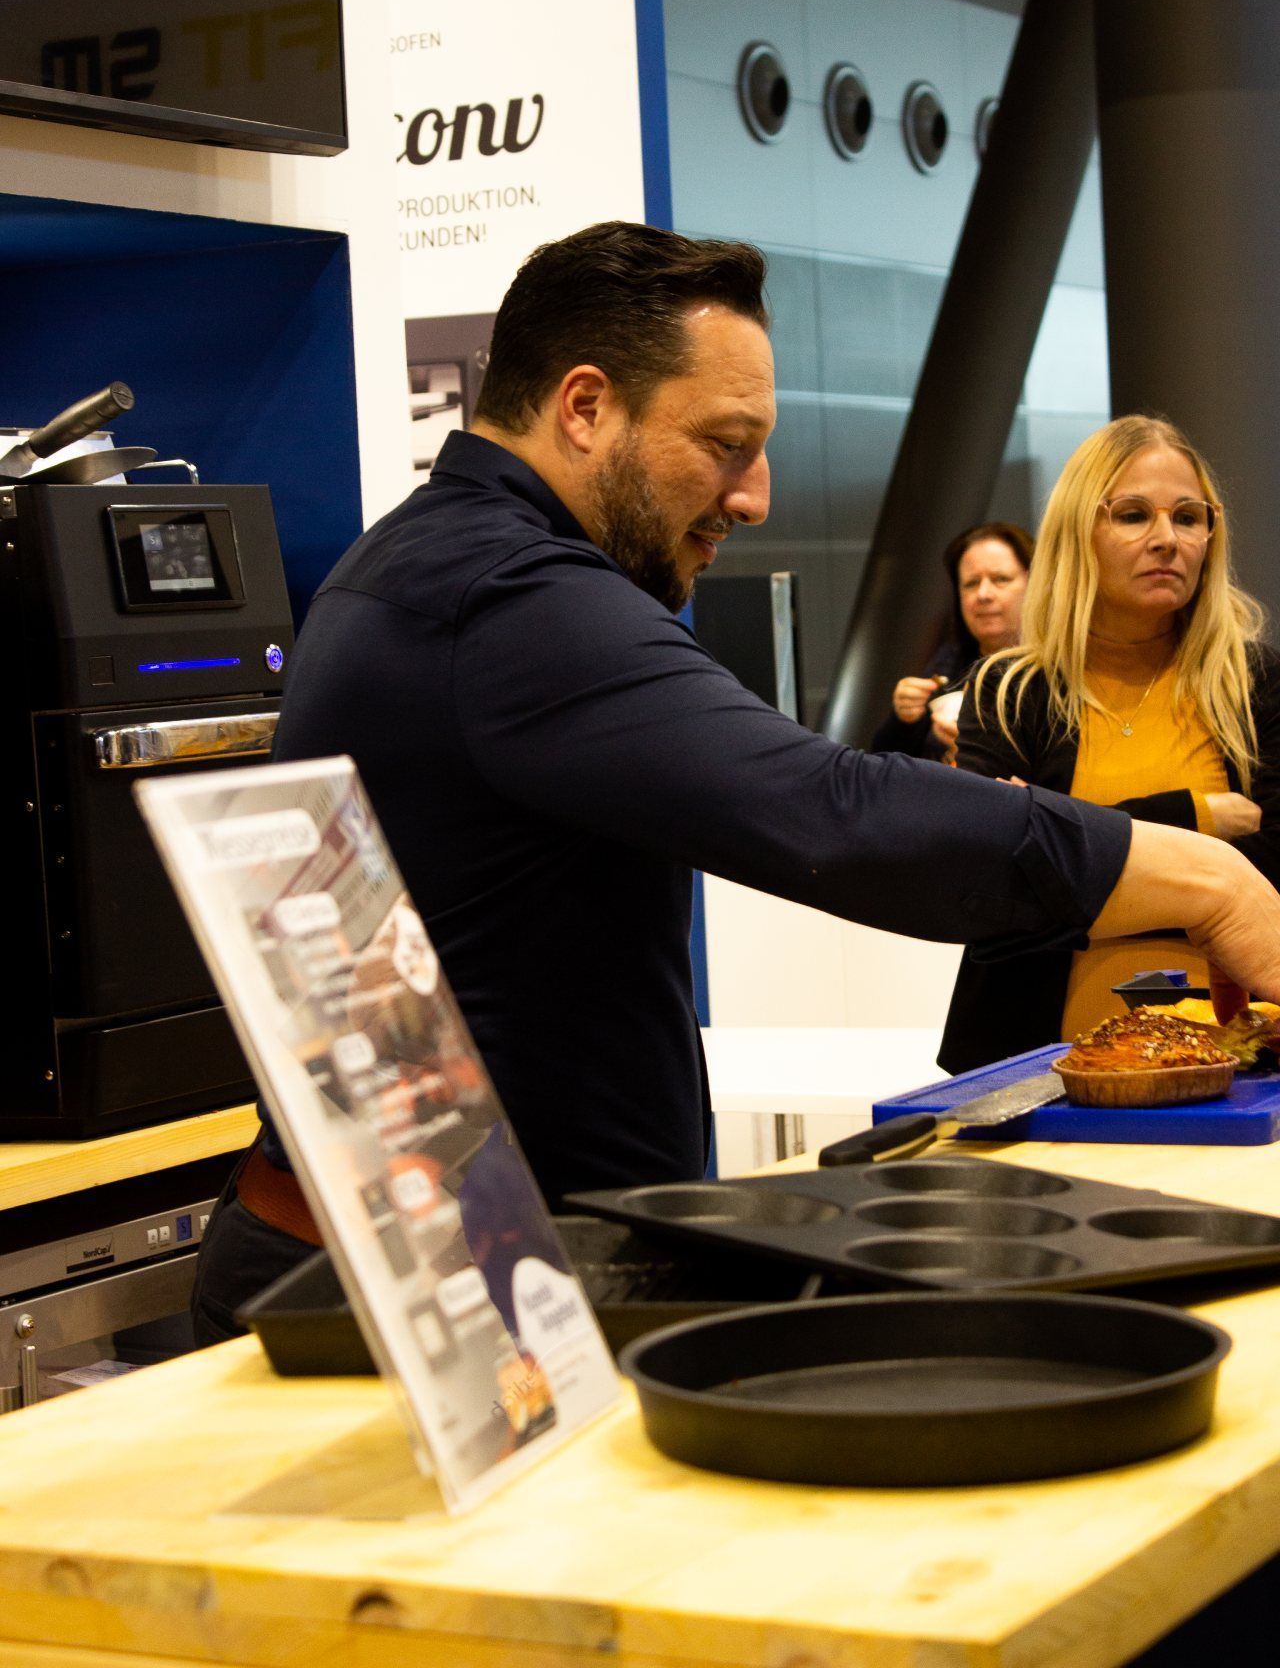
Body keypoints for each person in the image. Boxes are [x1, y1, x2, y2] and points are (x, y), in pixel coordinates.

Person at [191, 225, 1280, 1344]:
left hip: (465, 1270)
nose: (751, 496)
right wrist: (1206, 879)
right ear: (583, 407)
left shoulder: (438, 561)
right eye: (723, 444)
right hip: (423, 1306)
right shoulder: (507, 594)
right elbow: (832, 813)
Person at [940, 414, 1280, 1074]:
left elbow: (1273, 870)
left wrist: (1064, 848)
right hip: (1032, 1059)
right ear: (1079, 532)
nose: (1166, 539)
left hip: (1242, 1057)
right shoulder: (1011, 690)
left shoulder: (1258, 682)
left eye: (1189, 516)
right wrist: (1198, 819)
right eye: (1131, 515)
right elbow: (992, 888)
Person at [872, 522, 1034, 761]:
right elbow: (885, 763)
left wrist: (979, 754)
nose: (983, 595)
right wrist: (904, 719)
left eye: (1000, 579)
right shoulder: (950, 661)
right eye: (971, 583)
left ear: (1036, 585)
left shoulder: (1056, 670)